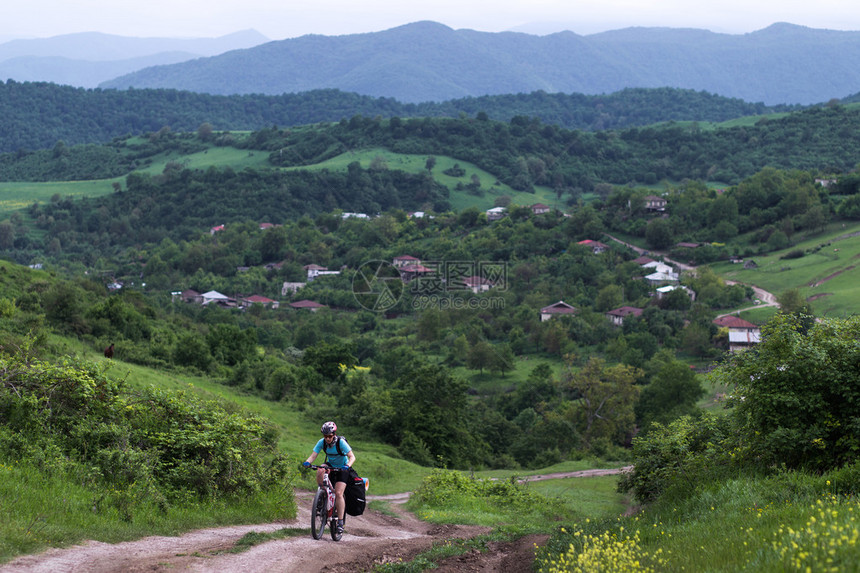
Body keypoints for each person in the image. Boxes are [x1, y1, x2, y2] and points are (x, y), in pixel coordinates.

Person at [303, 421, 355, 535]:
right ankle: (322, 494)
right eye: (325, 436)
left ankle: (340, 522)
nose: (327, 439)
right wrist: (307, 462)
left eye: (329, 436)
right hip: (331, 466)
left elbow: (352, 457)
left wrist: (347, 466)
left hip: (343, 469)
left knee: (339, 493)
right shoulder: (322, 442)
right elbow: (313, 455)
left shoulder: (341, 443)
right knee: (321, 469)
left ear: (334, 434)